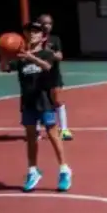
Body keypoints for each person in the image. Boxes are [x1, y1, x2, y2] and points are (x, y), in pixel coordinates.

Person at [5, 21, 70, 192]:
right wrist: (4, 54)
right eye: (29, 31)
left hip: (44, 100)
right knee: (31, 137)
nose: (32, 34)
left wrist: (31, 57)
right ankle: (32, 171)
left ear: (42, 36)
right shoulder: (20, 56)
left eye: (36, 31)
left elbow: (47, 66)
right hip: (28, 101)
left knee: (52, 133)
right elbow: (4, 68)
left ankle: (64, 170)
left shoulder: (46, 53)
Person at [37, 12, 72, 141]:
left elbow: (60, 56)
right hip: (38, 76)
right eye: (44, 23)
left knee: (57, 101)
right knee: (38, 103)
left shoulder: (55, 39)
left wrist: (47, 51)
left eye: (49, 23)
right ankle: (37, 131)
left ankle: (64, 129)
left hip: (53, 75)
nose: (47, 26)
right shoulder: (33, 39)